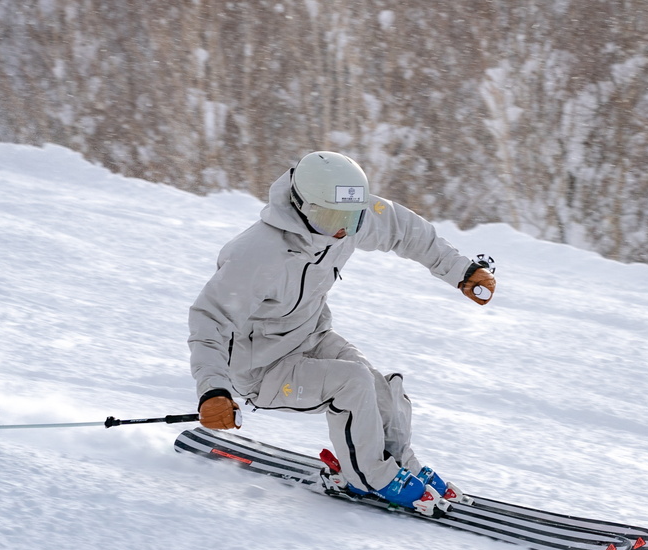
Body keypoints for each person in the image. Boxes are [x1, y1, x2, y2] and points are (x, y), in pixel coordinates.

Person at [188, 150, 496, 511]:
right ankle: (369, 478)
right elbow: (209, 319)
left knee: (381, 389)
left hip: (310, 338)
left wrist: (460, 270)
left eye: (351, 218)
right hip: (262, 370)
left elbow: (404, 229)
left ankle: (399, 466)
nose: (341, 228)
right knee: (351, 384)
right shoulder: (259, 253)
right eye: (330, 217)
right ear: (302, 206)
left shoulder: (348, 219)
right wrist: (212, 390)